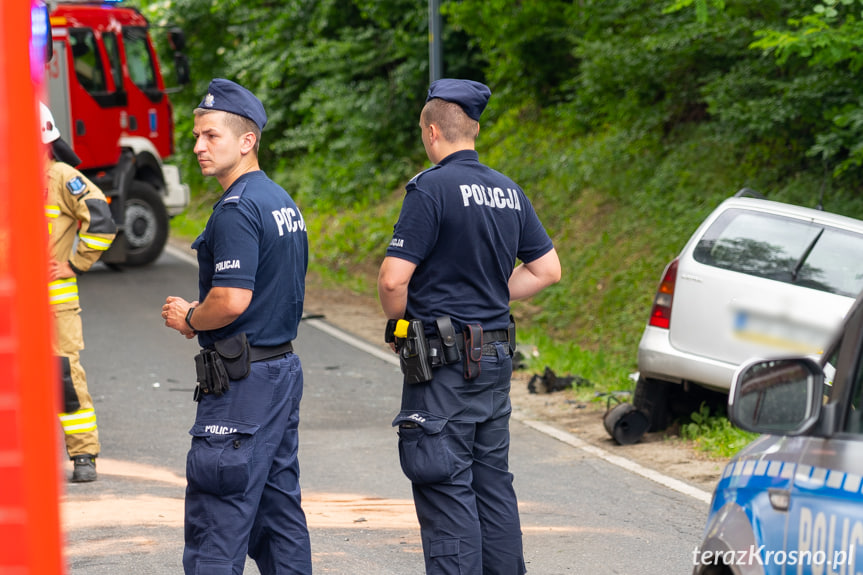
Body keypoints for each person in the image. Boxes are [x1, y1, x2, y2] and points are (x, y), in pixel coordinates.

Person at [377, 78, 562, 575]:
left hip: (443, 364)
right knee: (492, 482)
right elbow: (548, 270)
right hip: (495, 359)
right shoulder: (508, 190)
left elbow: (394, 279)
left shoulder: (430, 189)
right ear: (474, 130)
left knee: (445, 483)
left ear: (432, 131)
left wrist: (398, 326)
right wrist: (489, 294)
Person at [161, 78, 311, 575]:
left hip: (243, 383)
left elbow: (229, 299)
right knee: (276, 514)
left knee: (216, 517)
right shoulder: (280, 201)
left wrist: (189, 316)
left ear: (247, 141)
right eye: (198, 136)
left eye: (211, 136)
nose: (199, 147)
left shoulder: (237, 208)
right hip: (280, 368)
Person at [41, 102, 117, 483]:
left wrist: (75, 262)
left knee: (63, 376)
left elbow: (101, 219)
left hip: (54, 302)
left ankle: (83, 454)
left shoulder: (61, 178)